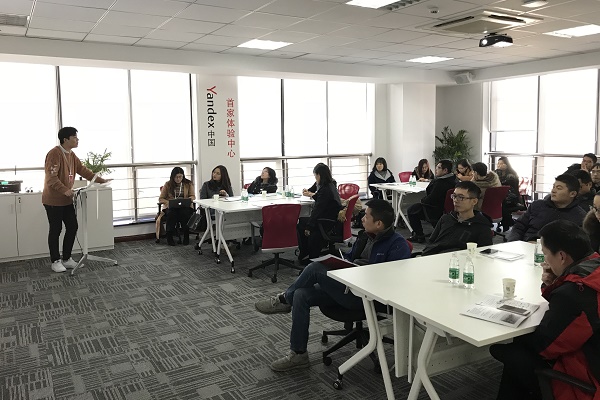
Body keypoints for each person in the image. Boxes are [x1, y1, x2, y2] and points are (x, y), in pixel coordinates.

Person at [254, 199, 411, 371]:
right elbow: (350, 258)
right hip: (346, 287)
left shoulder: (397, 245)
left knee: (315, 269)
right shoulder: (365, 236)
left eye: (366, 216)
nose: (362, 219)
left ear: (379, 224)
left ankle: (284, 300)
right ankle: (298, 354)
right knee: (301, 294)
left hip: (365, 297)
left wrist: (359, 273)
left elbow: (392, 282)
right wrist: (340, 262)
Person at [490, 220, 600, 400]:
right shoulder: (593, 271)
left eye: (546, 253)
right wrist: (557, 282)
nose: (545, 260)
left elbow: (547, 347)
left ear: (562, 256)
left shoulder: (575, 292)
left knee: (513, 353)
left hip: (590, 382)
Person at [42, 127, 109, 273]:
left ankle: (67, 259)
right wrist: (64, 190)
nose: (77, 139)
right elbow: (51, 178)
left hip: (66, 199)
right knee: (56, 229)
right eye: (74, 137)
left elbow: (83, 170)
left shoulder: (71, 155)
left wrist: (101, 180)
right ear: (65, 139)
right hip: (53, 200)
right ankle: (55, 261)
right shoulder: (54, 154)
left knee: (72, 226)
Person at [507, 174, 587, 242]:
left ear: (572, 194)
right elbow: (519, 226)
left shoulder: (580, 216)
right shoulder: (537, 205)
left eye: (559, 188)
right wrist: (514, 242)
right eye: (553, 187)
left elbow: (575, 243)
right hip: (525, 245)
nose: (553, 191)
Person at [422, 181, 493, 256]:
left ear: (474, 201)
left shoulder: (482, 227)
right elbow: (431, 242)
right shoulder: (446, 218)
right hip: (432, 257)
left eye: (461, 197)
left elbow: (485, 254)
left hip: (458, 260)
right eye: (454, 196)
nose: (455, 200)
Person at [298, 163, 342, 262]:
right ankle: (307, 252)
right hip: (332, 218)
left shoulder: (325, 189)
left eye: (315, 176)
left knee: (302, 224)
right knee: (302, 221)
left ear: (319, 175)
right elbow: (321, 201)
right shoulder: (330, 185)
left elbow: (318, 210)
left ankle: (306, 252)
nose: (315, 178)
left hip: (326, 221)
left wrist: (309, 226)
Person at [407, 159, 457, 243]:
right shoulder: (454, 180)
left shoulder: (440, 183)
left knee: (412, 210)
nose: (436, 169)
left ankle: (419, 235)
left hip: (434, 209)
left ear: (445, 170)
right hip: (446, 209)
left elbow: (431, 199)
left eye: (439, 168)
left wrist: (422, 200)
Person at [158, 167, 195, 246]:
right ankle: (169, 237)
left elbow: (192, 196)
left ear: (183, 176)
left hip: (184, 206)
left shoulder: (188, 184)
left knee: (185, 213)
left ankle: (186, 236)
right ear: (172, 177)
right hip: (171, 207)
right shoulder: (168, 184)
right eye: (176, 177)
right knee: (172, 214)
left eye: (180, 177)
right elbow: (161, 198)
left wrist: (189, 199)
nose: (178, 179)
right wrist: (168, 202)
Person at [495, 156, 521, 231]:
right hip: (502, 196)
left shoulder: (511, 175)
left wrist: (498, 172)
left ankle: (507, 222)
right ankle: (508, 221)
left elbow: (502, 183)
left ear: (506, 164)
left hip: (511, 197)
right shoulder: (497, 172)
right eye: (498, 163)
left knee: (502, 203)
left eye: (501, 163)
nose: (499, 165)